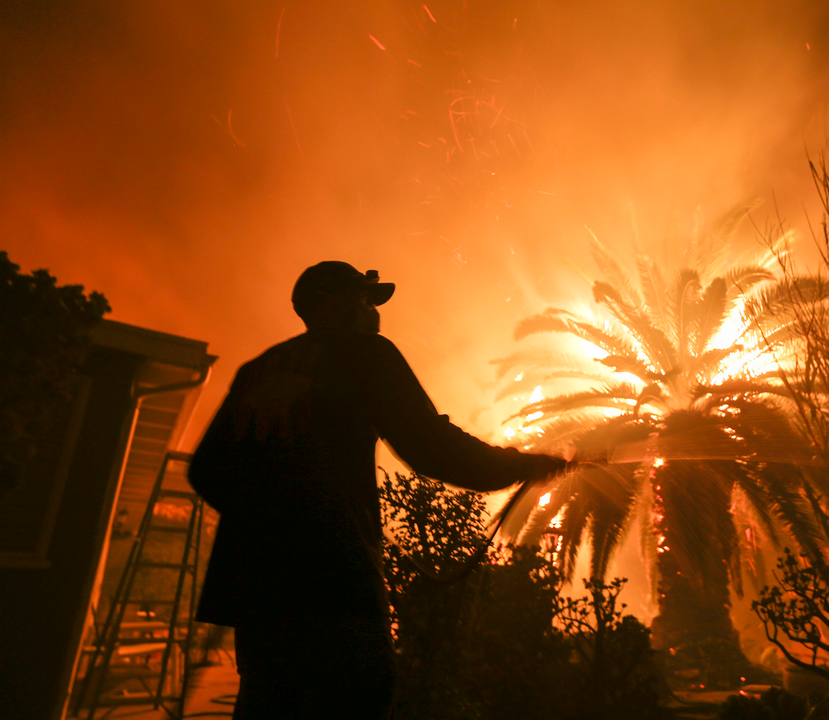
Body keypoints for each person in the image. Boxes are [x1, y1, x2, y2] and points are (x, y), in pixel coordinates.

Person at [188, 261, 567, 719]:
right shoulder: (364, 354)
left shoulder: (258, 370)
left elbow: (207, 471)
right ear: (332, 302)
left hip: (260, 600)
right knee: (356, 698)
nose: (373, 311)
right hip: (335, 584)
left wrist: (270, 515)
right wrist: (523, 465)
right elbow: (431, 447)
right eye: (364, 298)